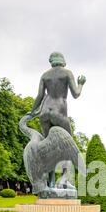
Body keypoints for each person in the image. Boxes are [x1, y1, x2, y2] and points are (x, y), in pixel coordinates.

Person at [29, 52, 86, 187]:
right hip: (58, 112)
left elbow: (39, 96)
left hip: (44, 113)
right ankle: (64, 178)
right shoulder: (67, 73)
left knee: (49, 147)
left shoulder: (45, 75)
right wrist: (81, 83)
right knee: (67, 145)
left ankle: (51, 182)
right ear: (62, 61)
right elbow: (76, 94)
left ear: (52, 61)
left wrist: (33, 112)